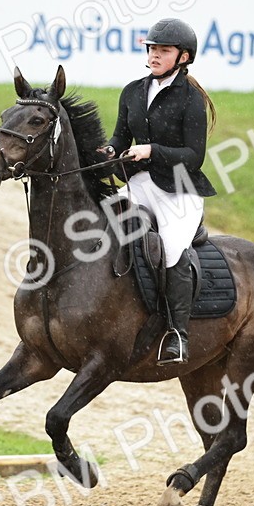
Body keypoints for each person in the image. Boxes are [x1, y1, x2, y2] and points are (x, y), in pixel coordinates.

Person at [98, 18, 218, 365]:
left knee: (168, 250)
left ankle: (177, 334)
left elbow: (194, 157)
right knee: (100, 228)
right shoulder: (133, 91)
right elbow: (120, 139)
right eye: (151, 49)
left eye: (163, 51)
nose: (154, 55)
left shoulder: (191, 99)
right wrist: (108, 152)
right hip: (138, 185)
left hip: (178, 193)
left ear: (183, 57)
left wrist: (152, 151)